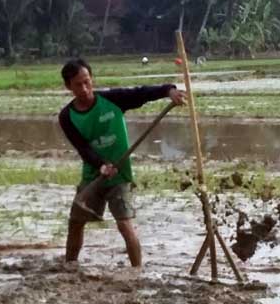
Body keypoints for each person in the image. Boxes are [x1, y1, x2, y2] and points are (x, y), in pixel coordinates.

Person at [58, 59, 185, 267]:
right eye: (78, 85)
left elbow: (141, 93)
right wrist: (100, 165)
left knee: (124, 225)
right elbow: (83, 148)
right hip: (93, 175)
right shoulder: (67, 117)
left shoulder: (113, 100)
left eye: (87, 82)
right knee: (76, 222)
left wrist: (168, 91)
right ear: (68, 87)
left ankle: (137, 270)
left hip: (120, 174)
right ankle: (70, 266)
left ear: (92, 80)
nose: (84, 89)